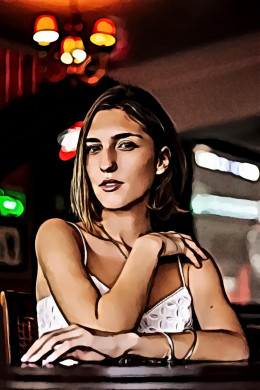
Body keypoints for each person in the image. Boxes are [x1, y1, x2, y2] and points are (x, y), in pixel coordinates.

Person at [21, 84, 249, 365]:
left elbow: (236, 346)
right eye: (94, 149)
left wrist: (136, 343)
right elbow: (102, 329)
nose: (107, 163)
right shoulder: (58, 235)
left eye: (126, 144)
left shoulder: (188, 264)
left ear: (162, 160)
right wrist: (147, 248)